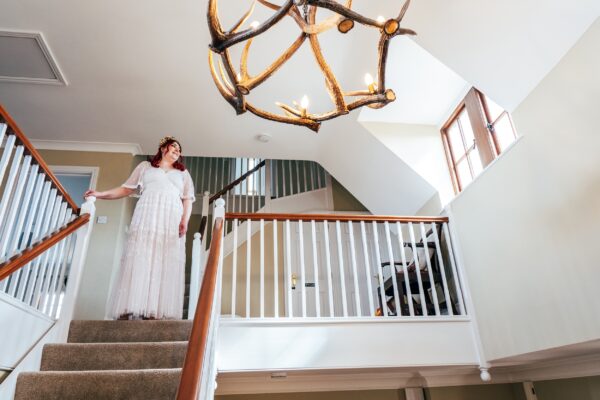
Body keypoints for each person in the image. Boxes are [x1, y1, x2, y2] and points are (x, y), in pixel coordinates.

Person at [84, 136, 195, 320]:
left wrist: (184, 220)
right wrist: (101, 194)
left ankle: (157, 311)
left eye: (179, 149)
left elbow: (187, 199)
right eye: (174, 146)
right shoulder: (145, 167)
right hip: (147, 214)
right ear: (163, 148)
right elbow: (126, 189)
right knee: (140, 255)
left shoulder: (183, 173)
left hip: (171, 217)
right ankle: (131, 306)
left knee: (165, 257)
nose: (177, 150)